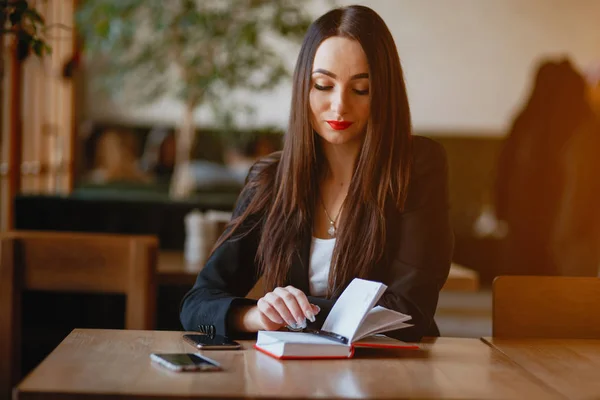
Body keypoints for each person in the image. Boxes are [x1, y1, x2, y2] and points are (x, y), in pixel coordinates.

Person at [180, 5, 453, 342]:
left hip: (391, 371)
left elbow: (409, 313)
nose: (339, 105)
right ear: (303, 89)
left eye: (361, 89)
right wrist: (257, 315)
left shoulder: (416, 167)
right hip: (293, 374)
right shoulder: (271, 180)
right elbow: (196, 308)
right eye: (323, 85)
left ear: (384, 93)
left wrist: (294, 314)